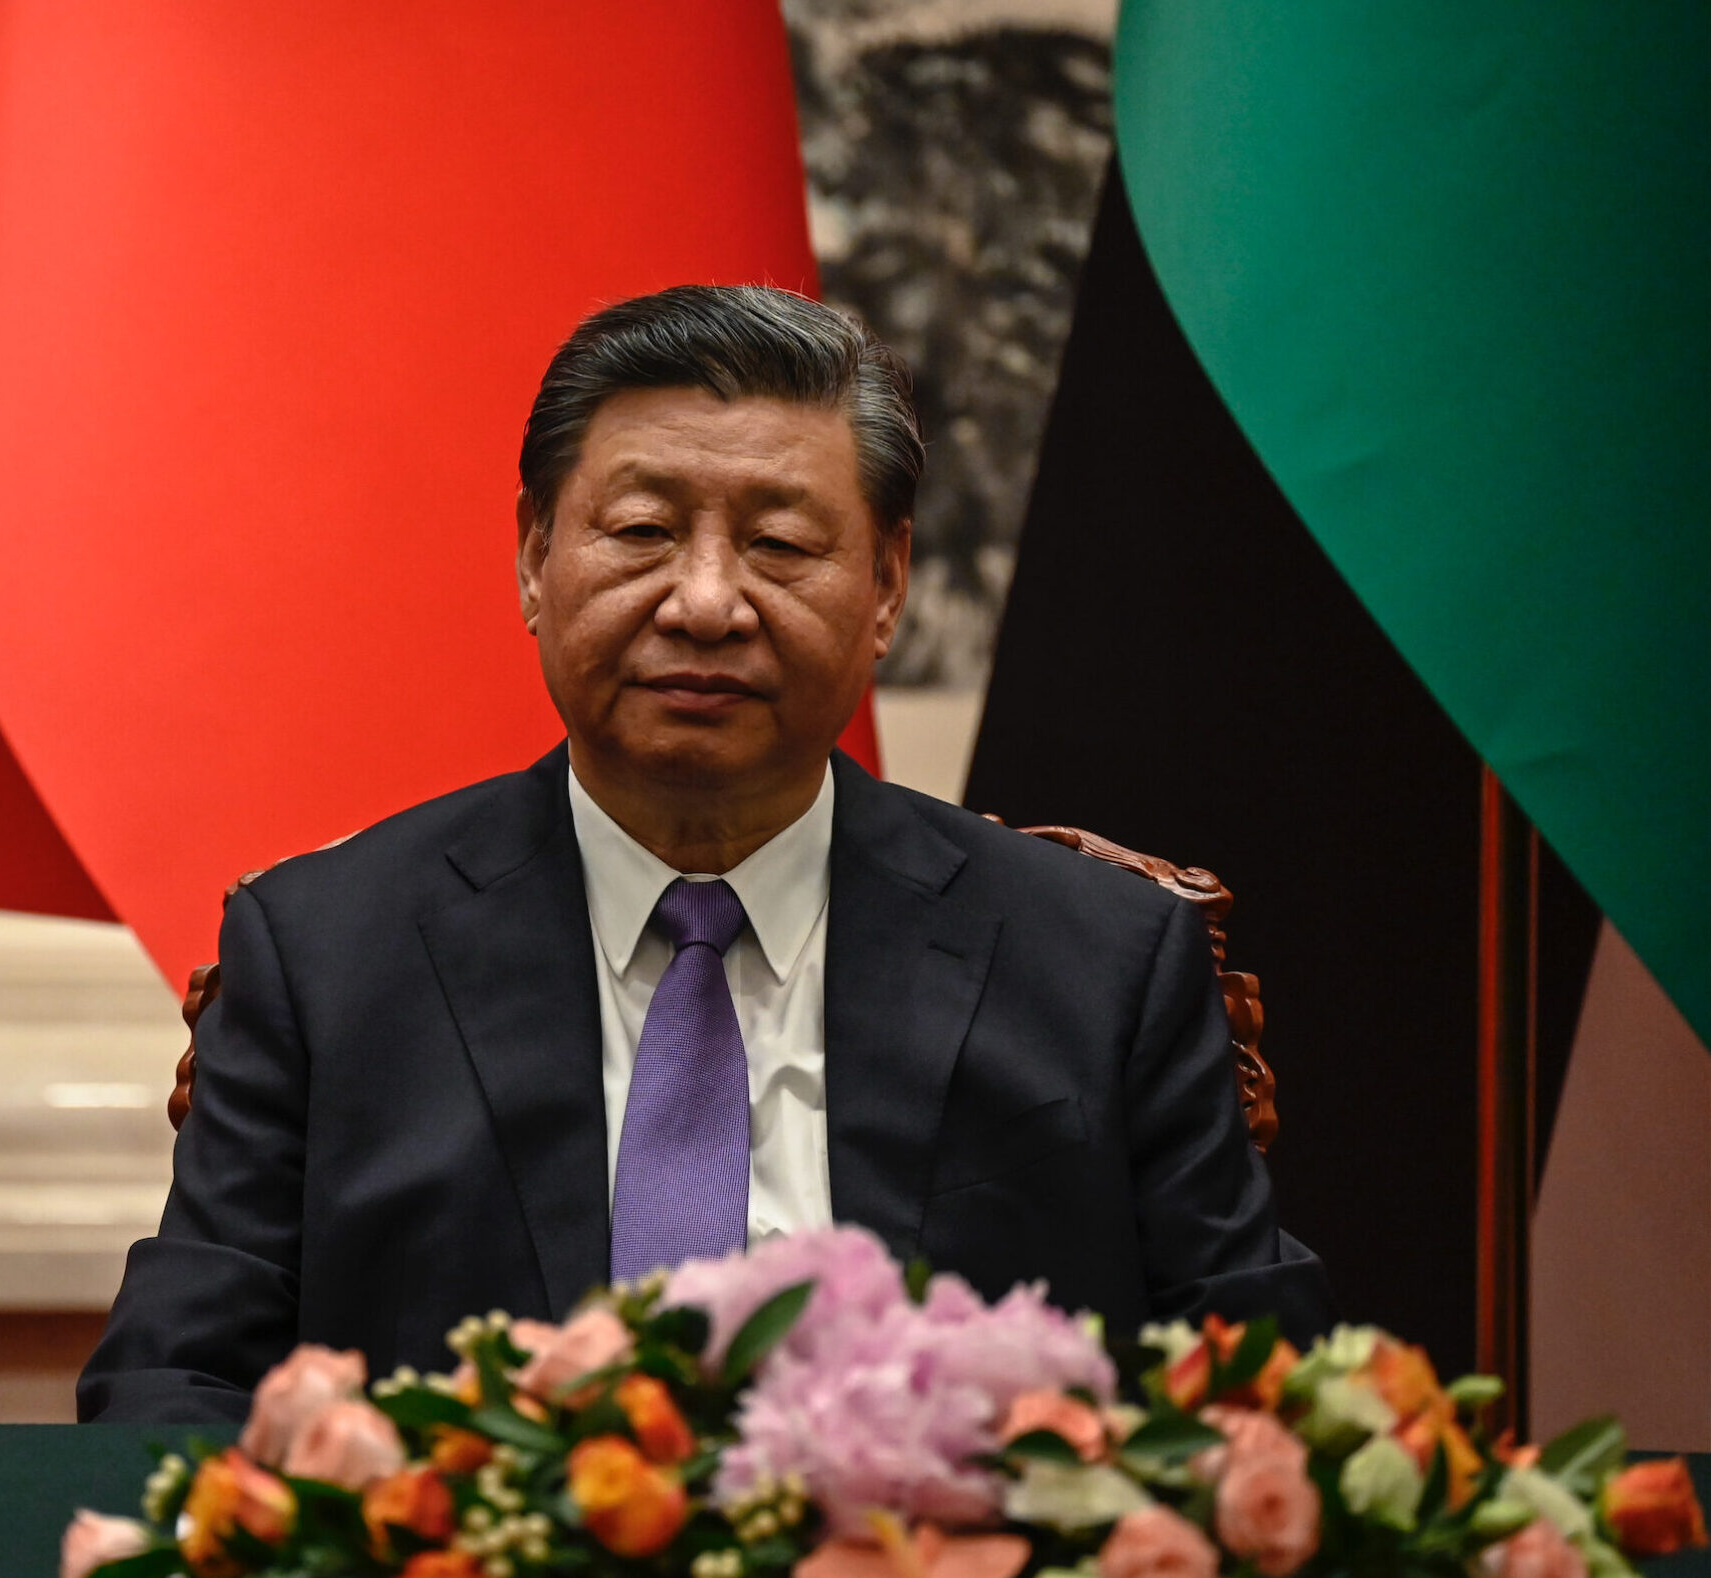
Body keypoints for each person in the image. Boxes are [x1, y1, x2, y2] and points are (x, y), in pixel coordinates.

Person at [79, 285, 1329, 1423]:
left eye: (781, 545)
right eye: (642, 531)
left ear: (887, 585)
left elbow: (1261, 1394)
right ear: (535, 557)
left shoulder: (1099, 958)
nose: (708, 602)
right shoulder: (328, 955)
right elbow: (170, 1384)